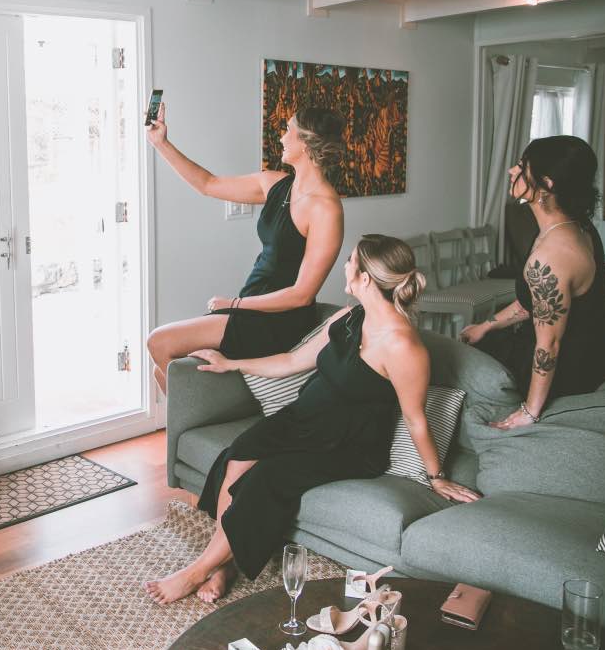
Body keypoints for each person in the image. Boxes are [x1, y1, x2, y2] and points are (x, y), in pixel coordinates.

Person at [144, 235, 479, 605]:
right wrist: (231, 363)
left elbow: (416, 419)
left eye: (351, 261)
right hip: (303, 419)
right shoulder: (349, 317)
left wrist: (436, 477)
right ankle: (225, 563)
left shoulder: (404, 346)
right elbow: (292, 361)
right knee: (237, 456)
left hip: (346, 444)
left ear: (366, 278)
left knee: (266, 478)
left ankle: (196, 572)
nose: (346, 266)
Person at [145, 103, 346, 394]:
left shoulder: (326, 209)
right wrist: (160, 143)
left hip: (279, 321)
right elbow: (207, 184)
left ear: (305, 142)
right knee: (163, 369)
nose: (281, 137)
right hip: (249, 306)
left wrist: (235, 304)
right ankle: (207, 414)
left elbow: (302, 295)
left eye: (288, 130)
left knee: (159, 342)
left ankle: (220, 405)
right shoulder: (275, 184)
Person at [459, 136, 605, 429]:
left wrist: (528, 413)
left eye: (521, 166)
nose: (511, 171)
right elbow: (540, 302)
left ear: (547, 184)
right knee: (478, 345)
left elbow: (550, 343)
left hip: (571, 365)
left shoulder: (551, 256)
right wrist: (486, 325)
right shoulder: (574, 225)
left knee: (463, 371)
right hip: (592, 345)